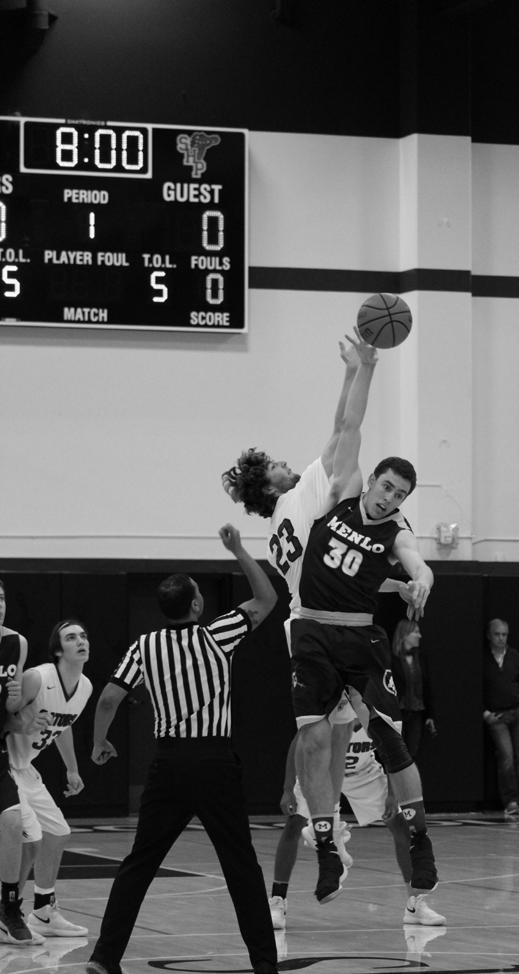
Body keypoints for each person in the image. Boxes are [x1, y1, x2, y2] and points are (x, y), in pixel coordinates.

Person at [223, 334, 433, 905]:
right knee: (353, 735)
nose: (287, 464)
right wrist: (363, 368)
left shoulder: (278, 531)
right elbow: (346, 427)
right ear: (269, 483)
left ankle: (329, 837)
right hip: (329, 630)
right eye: (276, 464)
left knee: (326, 738)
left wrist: (394, 582)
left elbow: (335, 573)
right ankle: (340, 837)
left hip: (306, 624)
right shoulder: (303, 496)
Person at [86, 524, 280, 974]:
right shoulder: (218, 634)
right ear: (195, 604)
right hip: (215, 763)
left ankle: (104, 957)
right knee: (241, 866)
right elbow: (267, 598)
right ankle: (264, 964)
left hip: (169, 764)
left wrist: (99, 741)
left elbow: (110, 697)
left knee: (139, 863)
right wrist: (238, 550)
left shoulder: (144, 646)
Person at [268, 720, 446, 930]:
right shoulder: (327, 715)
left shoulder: (372, 713)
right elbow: (297, 744)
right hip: (322, 772)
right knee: (293, 824)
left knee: (400, 825)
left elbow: (393, 754)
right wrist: (288, 788)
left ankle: (415, 903)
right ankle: (278, 901)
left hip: (362, 773)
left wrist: (392, 794)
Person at [6, 619, 91, 939]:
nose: (81, 641)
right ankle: (7, 912)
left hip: (26, 768)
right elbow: (6, 714)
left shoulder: (85, 687)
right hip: (6, 765)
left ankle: (42, 911)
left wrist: (72, 769)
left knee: (57, 832)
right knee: (30, 841)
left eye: (83, 636)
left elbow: (63, 725)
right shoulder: (37, 678)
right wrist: (25, 722)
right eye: (71, 637)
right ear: (58, 650)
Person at [0, 579, 44, 946]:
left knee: (13, 820)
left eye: (1, 598)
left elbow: (9, 713)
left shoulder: (16, 643)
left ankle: (9, 906)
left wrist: (17, 706)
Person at [483, 618, 519, 819]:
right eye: (497, 634)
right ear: (489, 635)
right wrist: (485, 713)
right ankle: (510, 800)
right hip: (498, 716)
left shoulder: (514, 655)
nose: (501, 638)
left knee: (518, 758)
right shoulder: (484, 658)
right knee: (507, 757)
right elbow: (475, 687)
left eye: (504, 634)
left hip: (517, 713)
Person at [391, 619, 437, 760]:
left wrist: (430, 715)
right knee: (396, 752)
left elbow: (427, 687)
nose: (419, 636)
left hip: (416, 711)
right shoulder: (392, 659)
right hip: (397, 712)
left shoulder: (421, 658)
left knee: (412, 753)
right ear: (405, 634)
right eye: (416, 632)